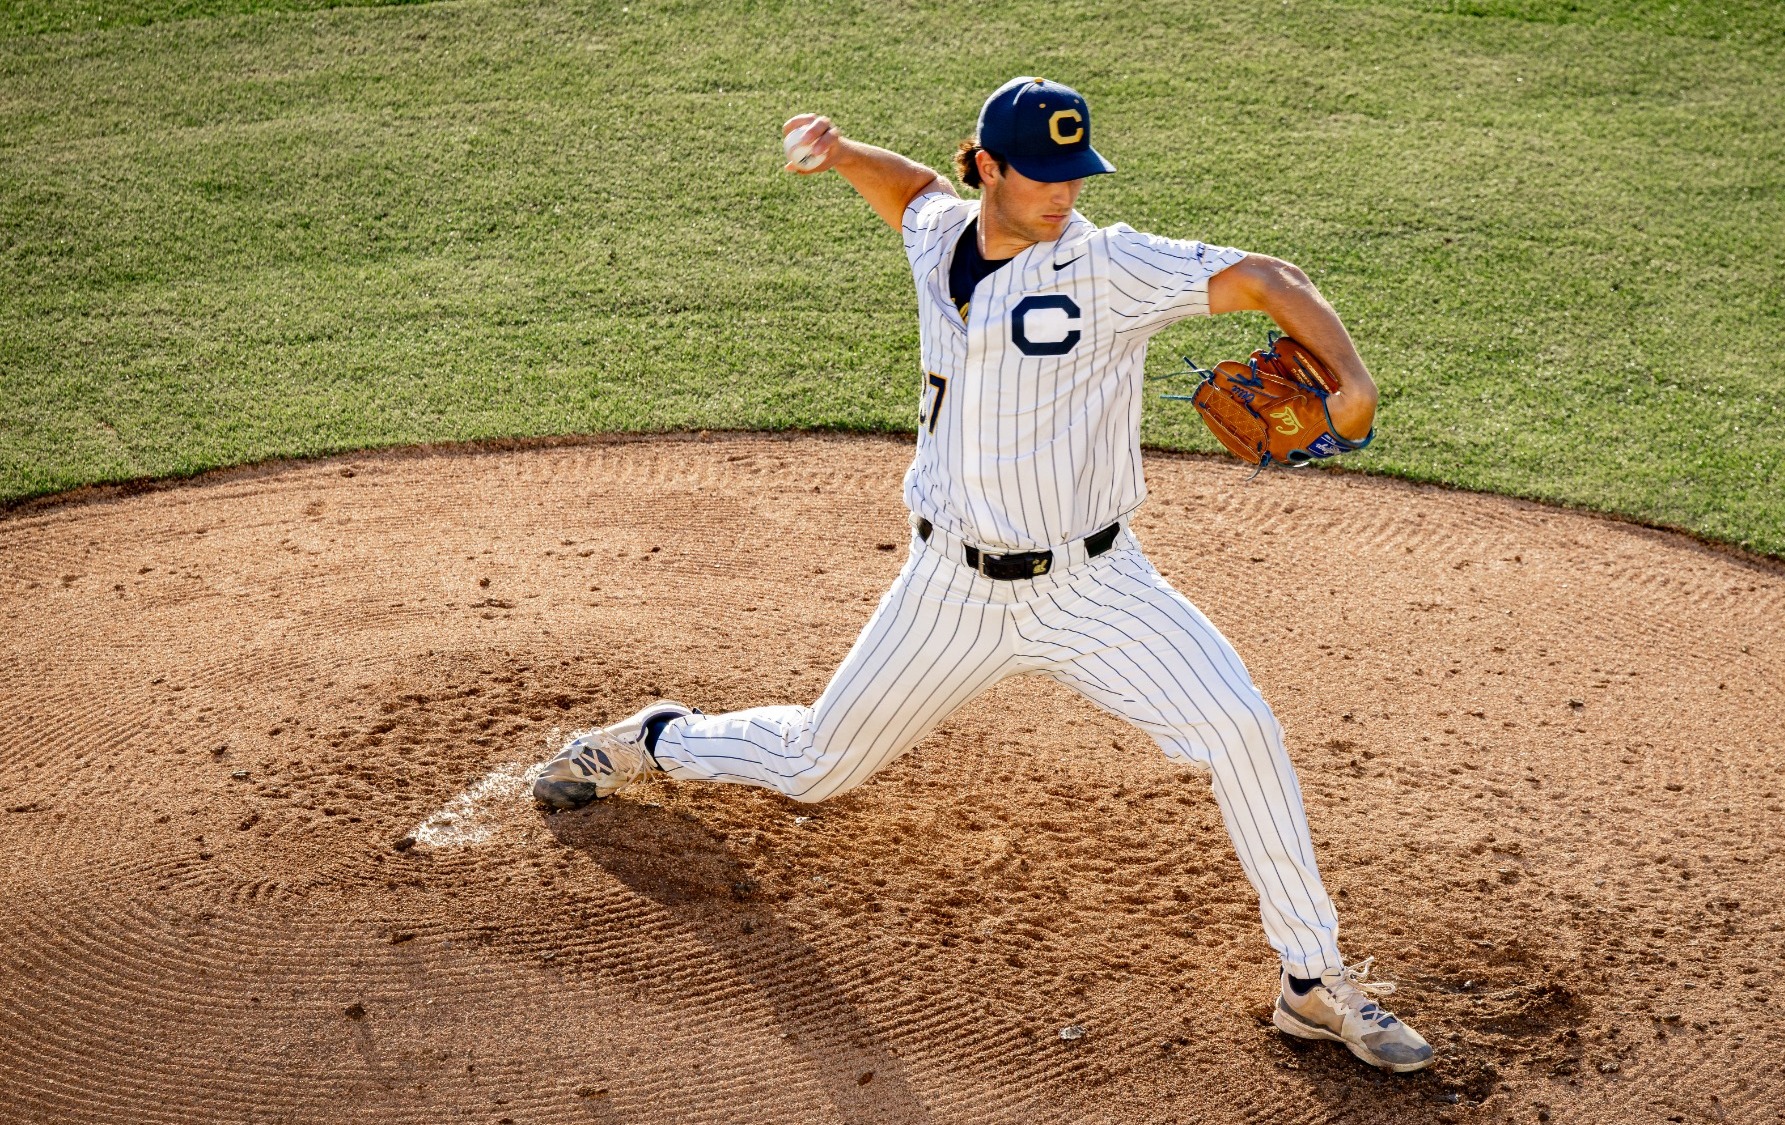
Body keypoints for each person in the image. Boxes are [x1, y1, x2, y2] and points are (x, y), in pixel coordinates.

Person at [531, 76, 1433, 1073]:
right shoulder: (937, 239)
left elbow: (1268, 276)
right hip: (949, 590)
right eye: (1041, 175)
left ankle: (1310, 980)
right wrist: (839, 154)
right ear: (988, 166)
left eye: (1076, 174)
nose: (1062, 194)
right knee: (818, 766)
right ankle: (655, 738)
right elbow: (910, 191)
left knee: (1240, 729)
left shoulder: (1109, 265)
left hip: (1096, 589)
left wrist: (1352, 382)